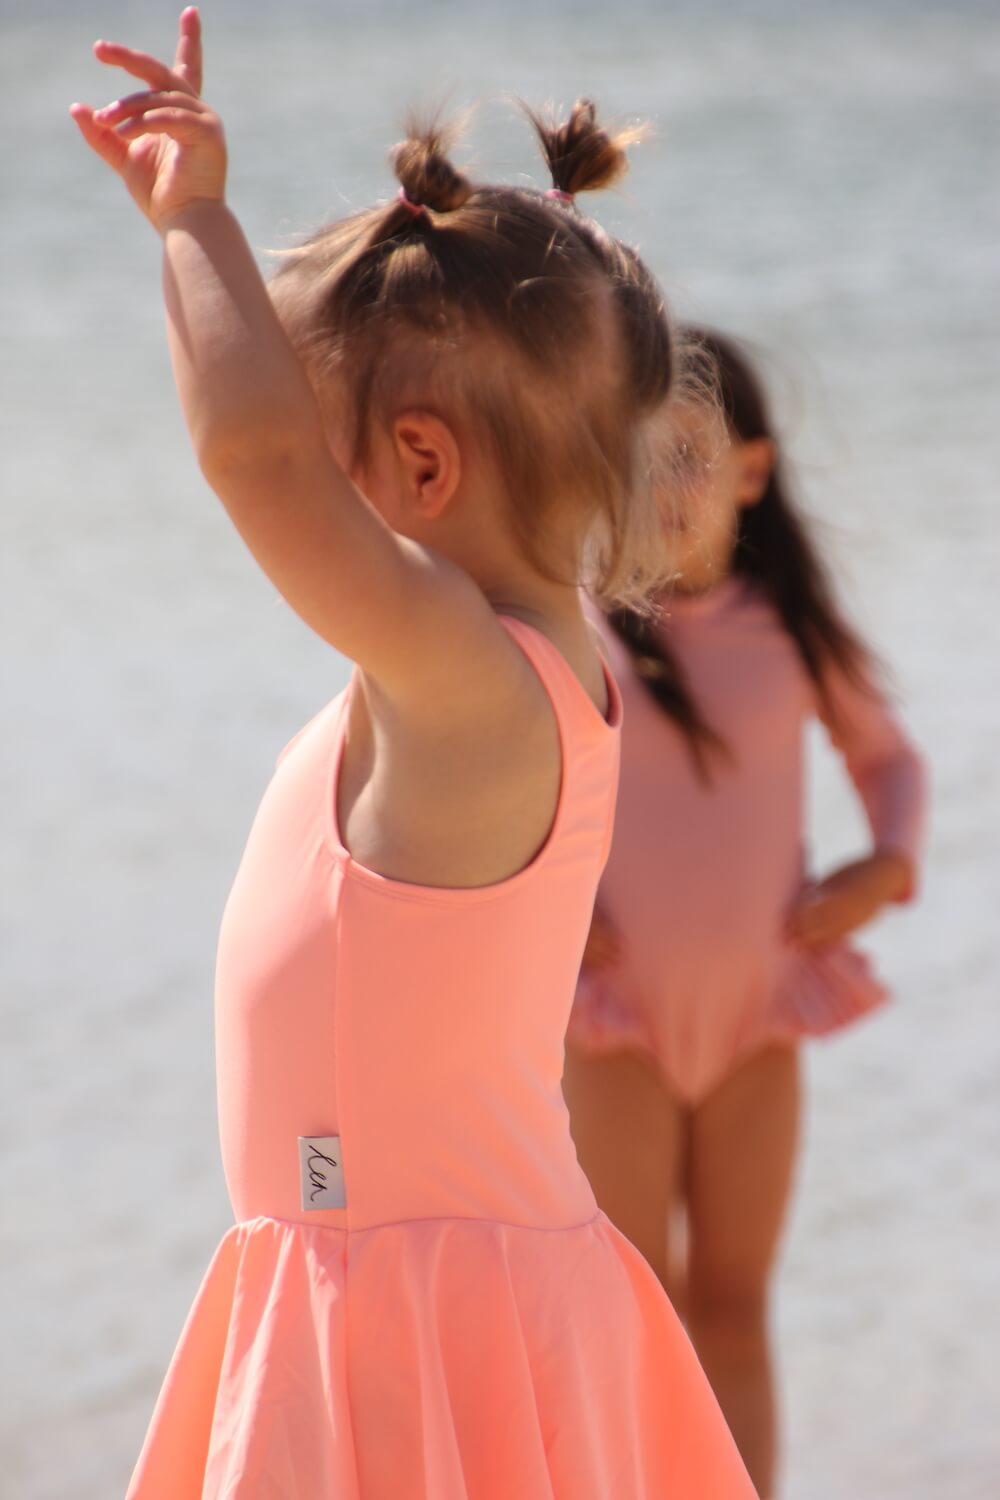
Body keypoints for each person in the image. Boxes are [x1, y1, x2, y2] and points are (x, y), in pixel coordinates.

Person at [71, 12, 757, 1498]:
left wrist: (196, 225)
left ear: (424, 465)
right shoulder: (513, 666)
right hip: (431, 1286)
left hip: (403, 1320)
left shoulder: (471, 685)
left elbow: (250, 457)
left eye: (334, 457)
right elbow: (278, 456)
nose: (303, 506)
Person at [563, 326, 928, 1498]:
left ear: (753, 473)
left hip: (757, 1019)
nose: (663, 489)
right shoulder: (575, 631)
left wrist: (887, 864)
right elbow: (499, 788)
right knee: (633, 1305)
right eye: (638, 462)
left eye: (691, 459)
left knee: (732, 1301)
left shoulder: (791, 630)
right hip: (611, 1022)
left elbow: (887, 758)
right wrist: (547, 911)